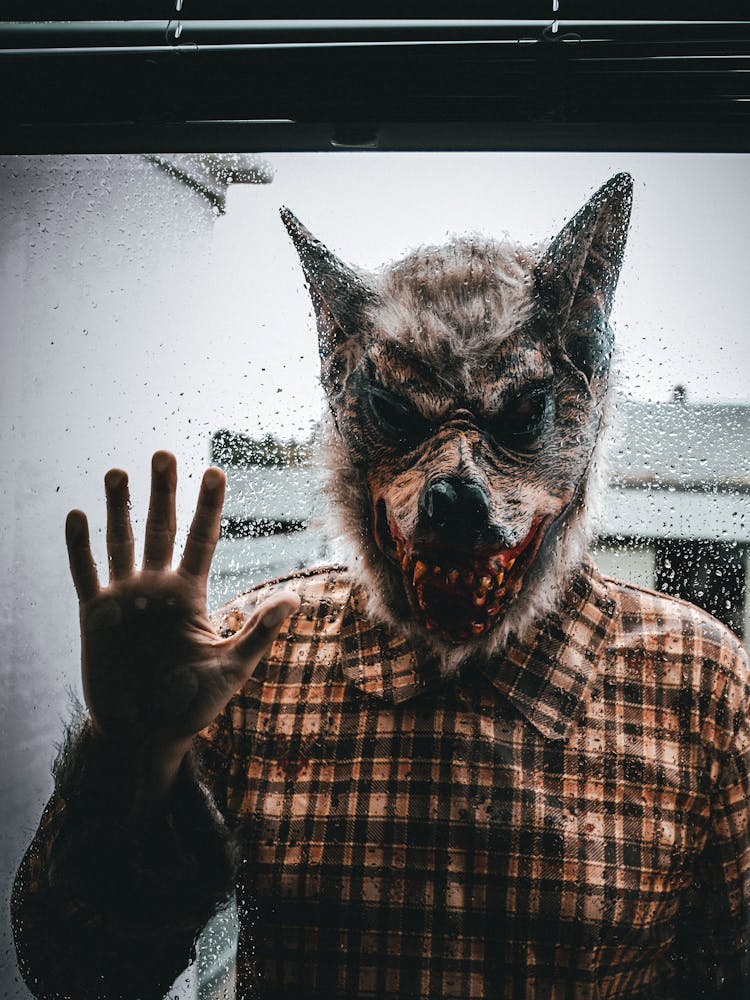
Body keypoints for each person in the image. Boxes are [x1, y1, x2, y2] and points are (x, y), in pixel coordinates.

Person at [12, 175, 750, 999]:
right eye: (399, 418)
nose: (455, 483)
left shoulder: (700, 684)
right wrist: (134, 759)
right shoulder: (251, 656)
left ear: (589, 408)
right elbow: (81, 975)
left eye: (520, 420)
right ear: (343, 404)